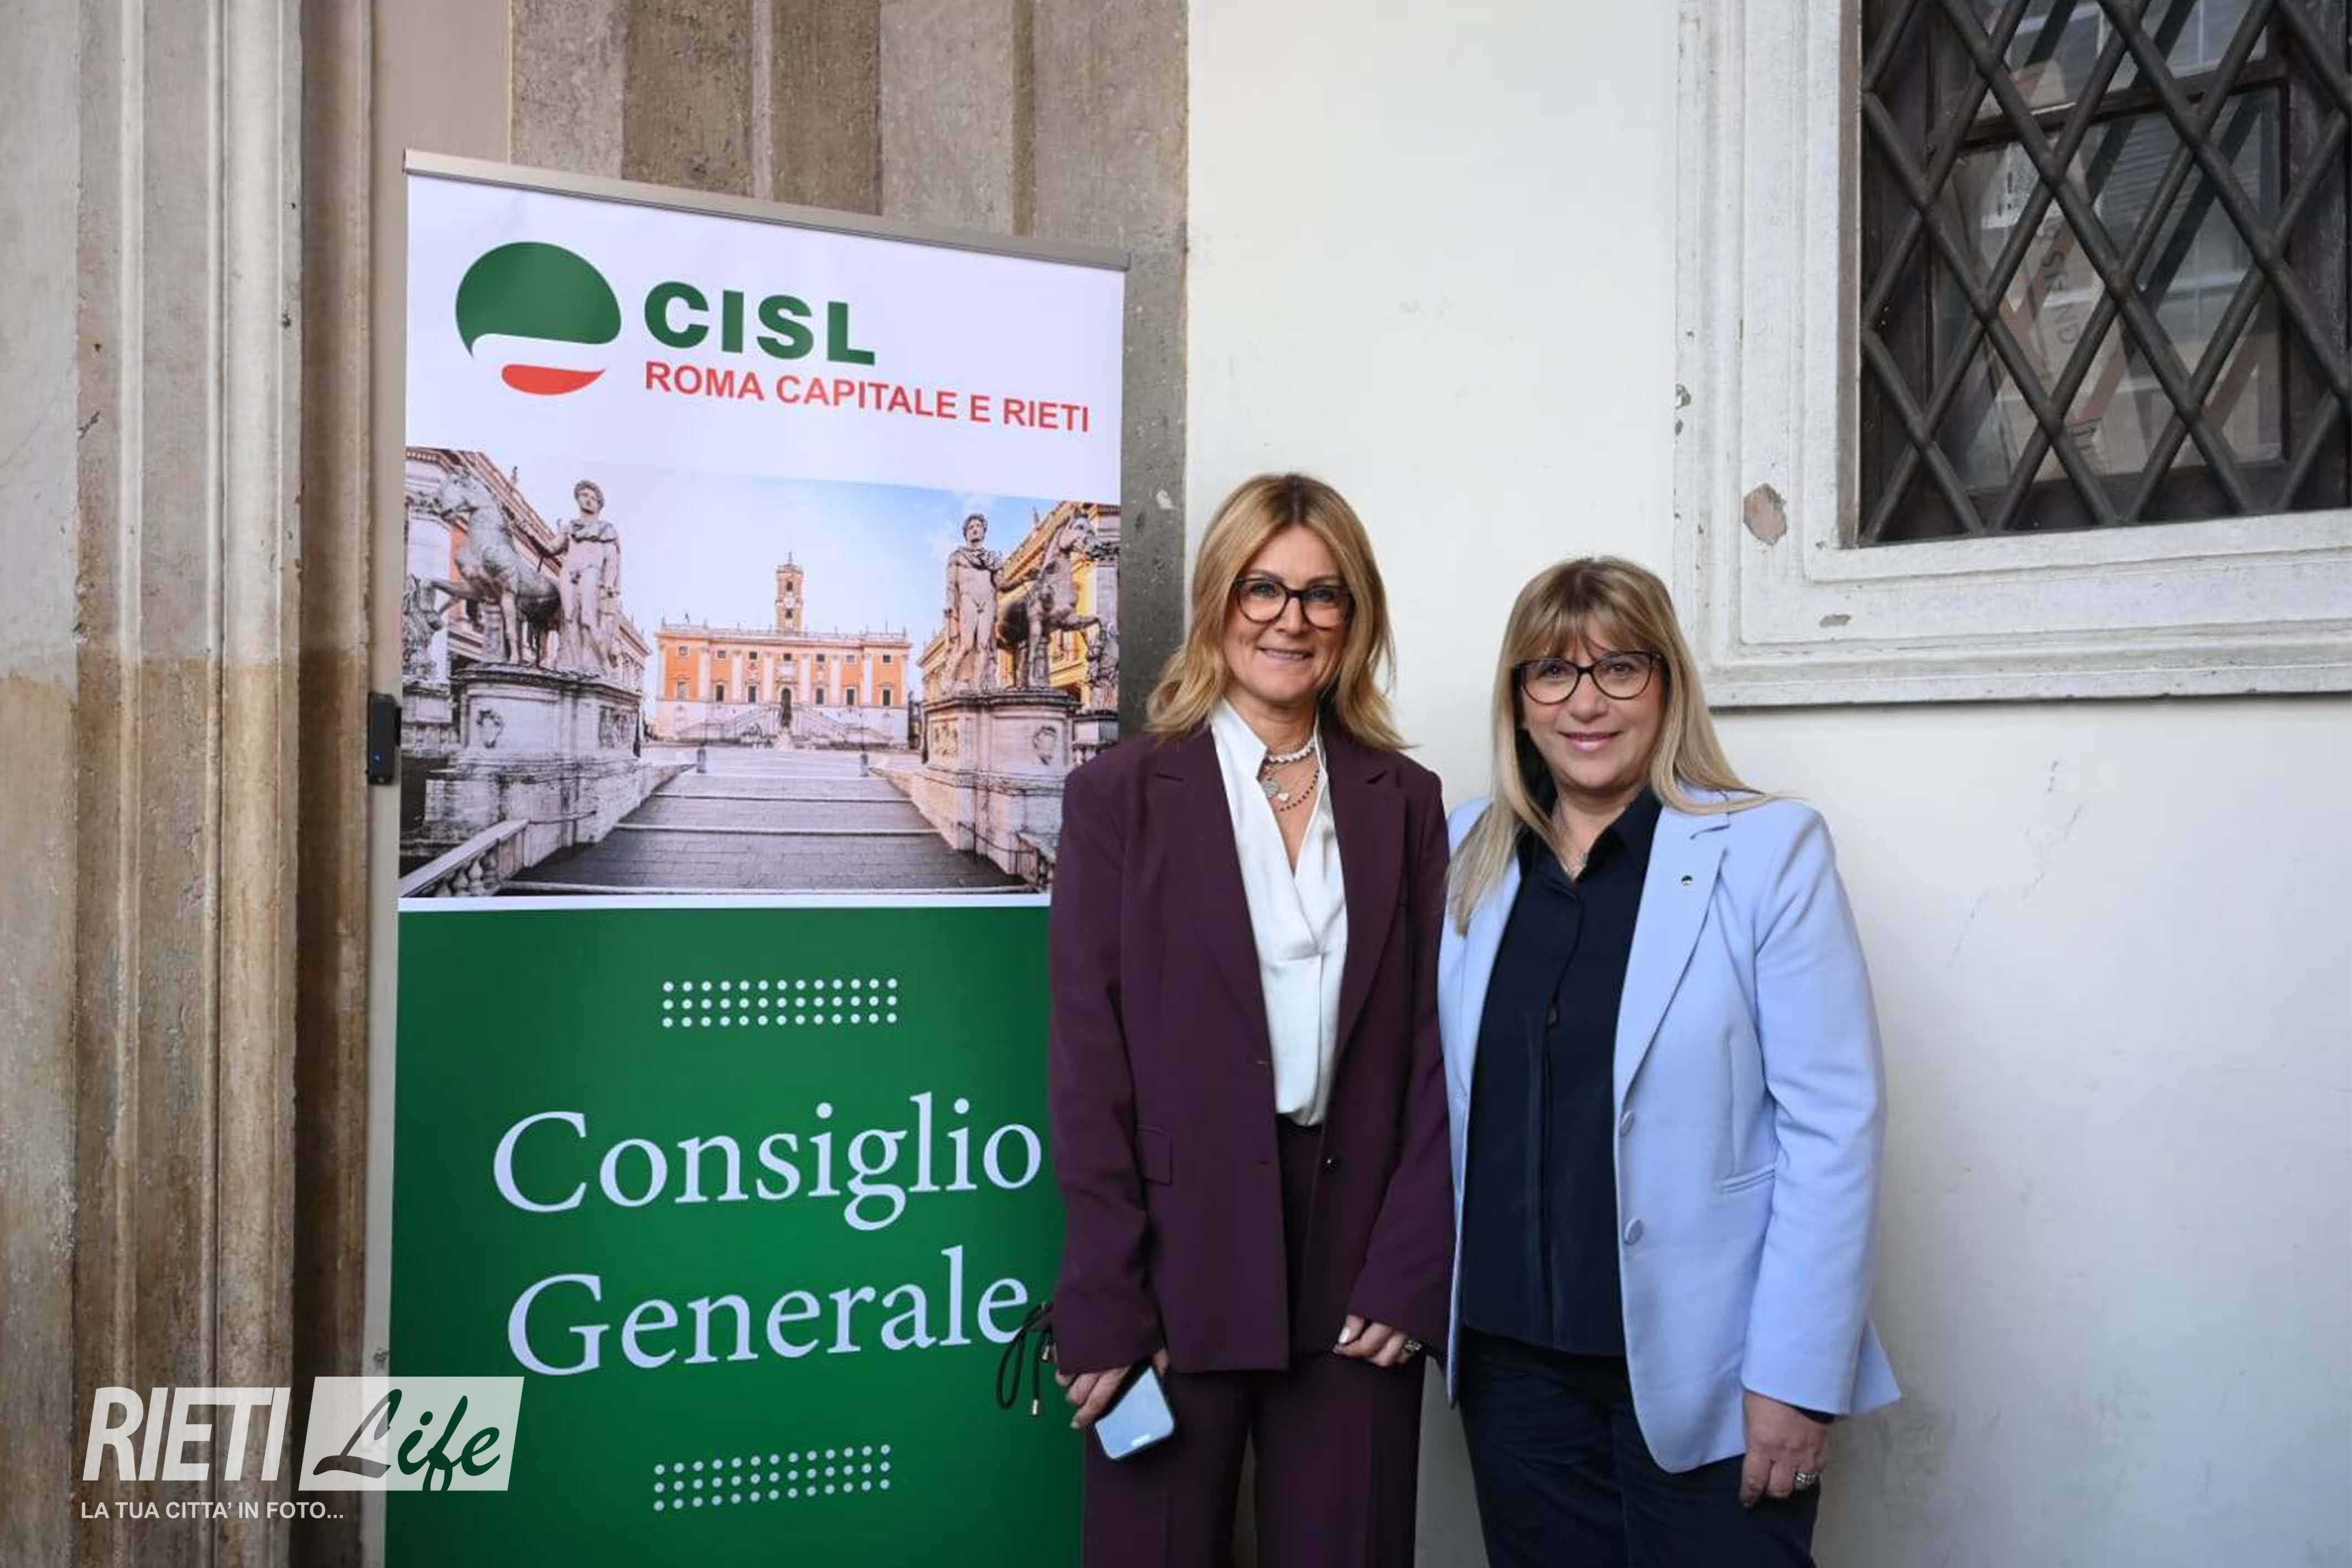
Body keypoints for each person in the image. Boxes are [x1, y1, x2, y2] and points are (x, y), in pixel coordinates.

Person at [1438, 557, 1897, 1567]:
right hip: (1515, 1379)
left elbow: (1835, 1129)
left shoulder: (1768, 851)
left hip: (1714, 1376)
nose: (1585, 703)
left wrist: (1799, 1377)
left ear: (1668, 684)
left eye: (1620, 669)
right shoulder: (1469, 849)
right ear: (1518, 699)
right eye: (1552, 672)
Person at [1048, 474, 1453, 1567]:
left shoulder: (1407, 800)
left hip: (1356, 1265)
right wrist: (1105, 1291)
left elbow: (1435, 1051)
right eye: (1261, 588)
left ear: (1354, 616)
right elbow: (1088, 1064)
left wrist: (1411, 1265)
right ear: (1217, 600)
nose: (1290, 618)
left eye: (1323, 594)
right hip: (1174, 1257)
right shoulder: (1120, 796)